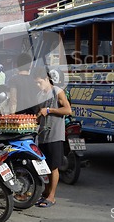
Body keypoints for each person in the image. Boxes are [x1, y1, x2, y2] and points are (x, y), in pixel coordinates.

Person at [33, 67, 72, 208]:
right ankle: (45, 193)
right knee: (46, 167)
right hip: (43, 135)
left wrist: (49, 110)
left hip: (56, 135)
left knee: (54, 167)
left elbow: (68, 110)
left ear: (46, 79)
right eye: (36, 83)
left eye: (39, 82)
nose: (38, 85)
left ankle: (51, 197)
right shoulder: (39, 96)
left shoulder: (57, 91)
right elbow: (39, 116)